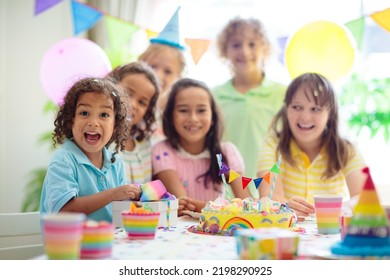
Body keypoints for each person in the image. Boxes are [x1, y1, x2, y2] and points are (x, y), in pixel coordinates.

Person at [256, 73, 367, 218]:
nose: (305, 117)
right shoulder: (272, 144)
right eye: (296, 107)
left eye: (315, 109)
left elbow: (364, 197)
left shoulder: (346, 149)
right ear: (286, 109)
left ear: (330, 113)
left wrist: (341, 208)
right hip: (288, 233)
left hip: (331, 235)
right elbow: (269, 197)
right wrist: (285, 206)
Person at [40, 77, 142, 222]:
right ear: (71, 120)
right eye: (84, 113)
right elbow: (64, 211)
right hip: (69, 244)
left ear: (115, 126)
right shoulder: (64, 160)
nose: (93, 123)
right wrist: (113, 194)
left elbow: (121, 211)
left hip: (108, 242)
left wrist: (142, 199)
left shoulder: (115, 163)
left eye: (104, 115)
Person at [152, 78, 250, 216]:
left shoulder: (226, 152)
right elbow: (185, 206)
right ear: (170, 117)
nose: (193, 118)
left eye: (201, 110)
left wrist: (229, 210)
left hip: (220, 233)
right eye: (183, 110)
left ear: (213, 118)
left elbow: (248, 205)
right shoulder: (162, 151)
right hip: (181, 233)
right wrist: (228, 209)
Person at [212, 17, 287, 194]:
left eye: (252, 44)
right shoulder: (214, 96)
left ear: (265, 48)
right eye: (236, 45)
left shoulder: (283, 94)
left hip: (273, 190)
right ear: (225, 51)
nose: (244, 52)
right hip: (228, 191)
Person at [107, 62, 160, 184]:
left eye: (142, 102)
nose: (133, 105)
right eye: (128, 93)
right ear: (110, 86)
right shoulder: (96, 142)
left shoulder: (145, 146)